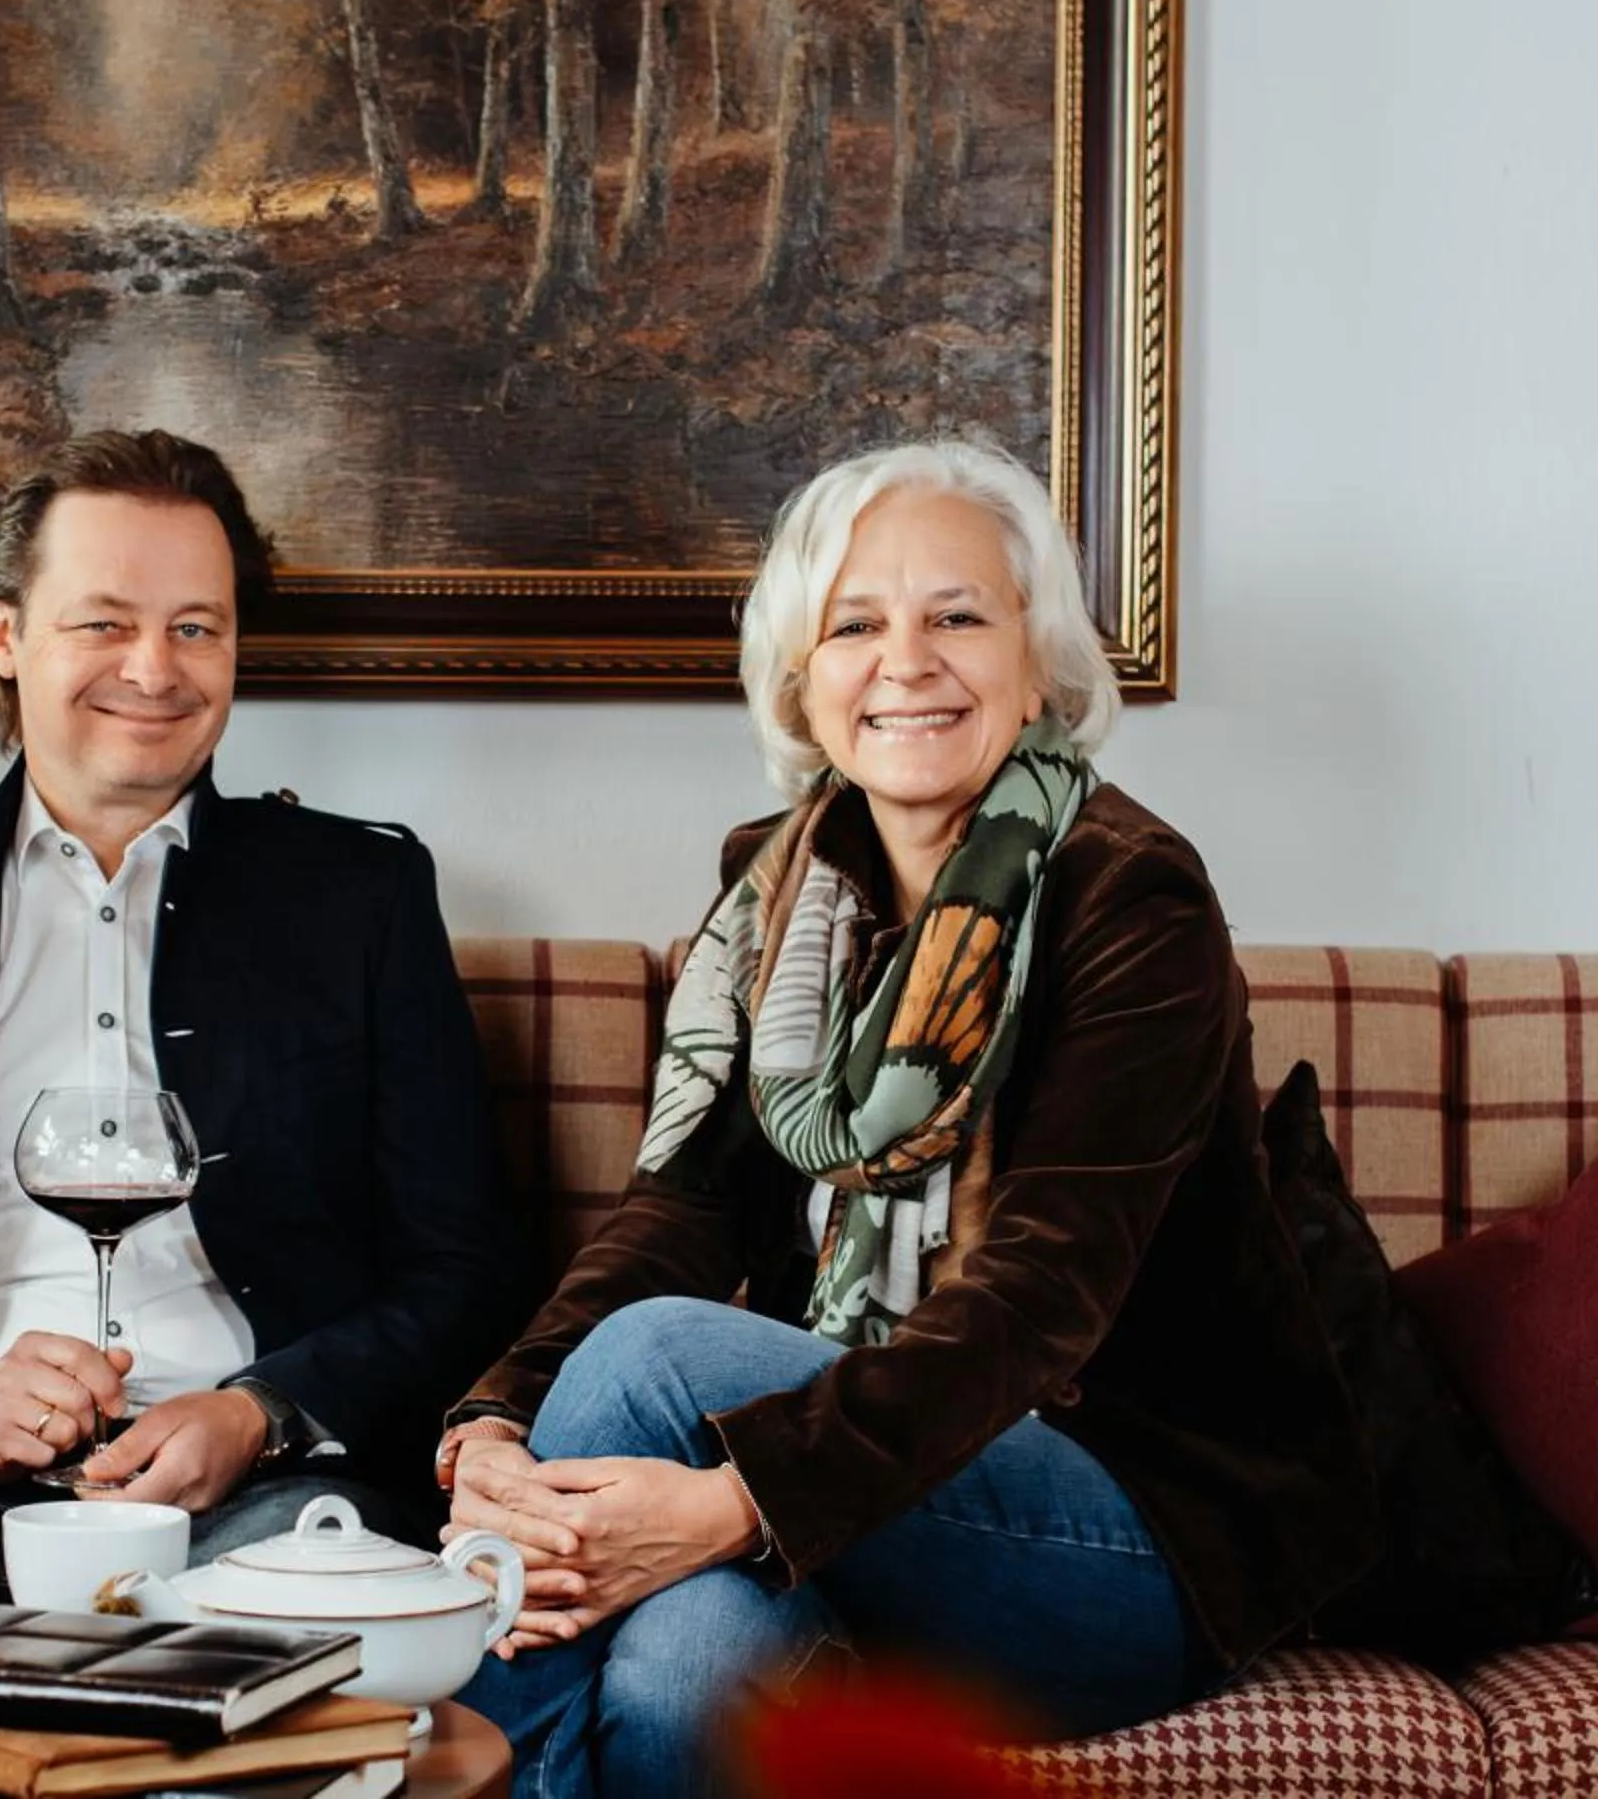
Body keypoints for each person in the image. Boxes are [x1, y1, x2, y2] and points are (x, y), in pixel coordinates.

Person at [440, 441, 1375, 1796]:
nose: (907, 658)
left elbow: (1035, 1297)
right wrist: (499, 1422)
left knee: (650, 1360)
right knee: (684, 1667)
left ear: (1039, 660)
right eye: (857, 623)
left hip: (1133, 1540)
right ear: (800, 679)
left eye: (959, 614)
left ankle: (445, 1744)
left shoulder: (1132, 899)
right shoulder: (771, 899)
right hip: (864, 1503)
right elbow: (682, 1212)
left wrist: (736, 1497)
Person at [0, 429, 533, 1643]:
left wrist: (259, 1411)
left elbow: (467, 1269)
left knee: (267, 1613)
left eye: (197, 626)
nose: (156, 668)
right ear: (6, 637)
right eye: (104, 622)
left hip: (272, 1498)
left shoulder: (363, 900)